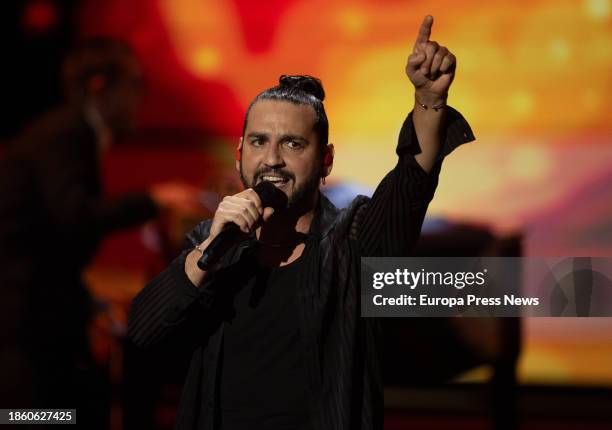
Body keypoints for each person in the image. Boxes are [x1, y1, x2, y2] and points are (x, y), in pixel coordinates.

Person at [128, 15, 475, 430]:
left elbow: (410, 185)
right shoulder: (214, 245)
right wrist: (205, 253)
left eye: (292, 143)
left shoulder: (351, 238)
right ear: (239, 154)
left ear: (326, 160)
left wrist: (428, 101)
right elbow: (142, 332)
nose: (272, 159)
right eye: (259, 142)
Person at [0, 37, 200, 427]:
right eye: (134, 85)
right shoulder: (66, 133)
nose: (140, 98)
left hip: (34, 316)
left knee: (63, 413)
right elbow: (73, 217)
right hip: (22, 325)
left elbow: (50, 237)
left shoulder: (63, 132)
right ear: (99, 86)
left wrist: (86, 299)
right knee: (36, 418)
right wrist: (153, 198)